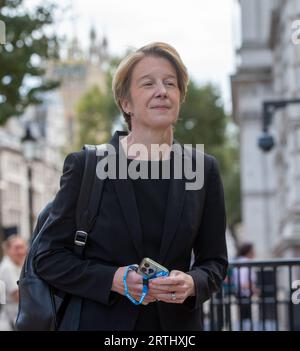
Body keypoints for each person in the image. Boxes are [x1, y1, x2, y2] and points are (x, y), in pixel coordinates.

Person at [34, 42, 228, 331]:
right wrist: (113, 280)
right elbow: (47, 257)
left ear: (180, 96)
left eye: (170, 84)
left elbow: (214, 262)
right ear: (126, 103)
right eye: (148, 84)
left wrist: (192, 283)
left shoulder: (203, 168)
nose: (161, 91)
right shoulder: (87, 165)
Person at [0, 235, 27, 330]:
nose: (20, 251)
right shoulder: (7, 267)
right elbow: (18, 296)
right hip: (10, 321)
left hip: (17, 318)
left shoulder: (19, 264)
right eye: (16, 248)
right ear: (8, 250)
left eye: (22, 247)